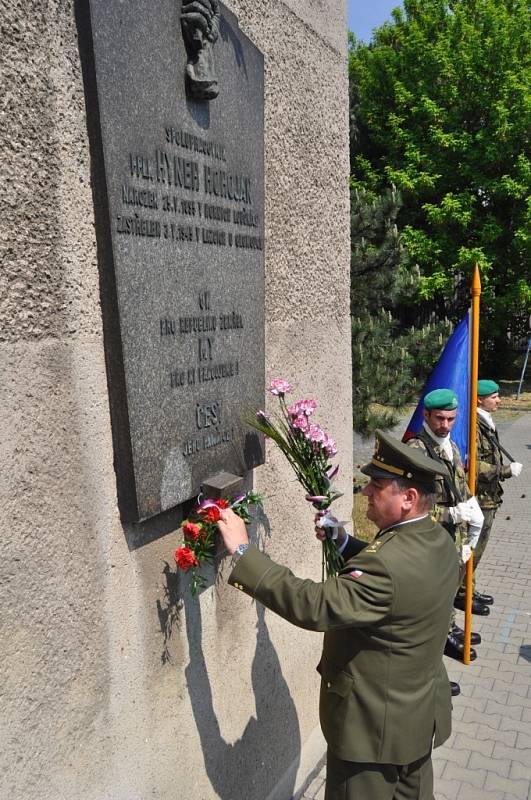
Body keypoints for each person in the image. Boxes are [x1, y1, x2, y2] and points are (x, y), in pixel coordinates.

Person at [217, 431, 459, 800]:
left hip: (371, 736)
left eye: (377, 486)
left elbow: (314, 605)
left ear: (409, 498)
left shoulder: (385, 567)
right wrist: (345, 542)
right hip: (416, 724)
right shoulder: (438, 539)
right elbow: (398, 582)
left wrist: (245, 552)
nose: (365, 493)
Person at [406, 389, 484, 674]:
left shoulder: (451, 446)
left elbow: (459, 489)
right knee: (431, 612)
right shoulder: (417, 451)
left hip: (452, 540)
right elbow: (409, 507)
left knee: (447, 598)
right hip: (431, 541)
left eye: (451, 418)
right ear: (426, 415)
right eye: (439, 418)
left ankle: (448, 635)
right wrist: (450, 514)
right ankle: (431, 676)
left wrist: (469, 512)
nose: (446, 425)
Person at [459, 379, 523, 606]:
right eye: (494, 396)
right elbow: (471, 465)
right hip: (479, 497)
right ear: (479, 399)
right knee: (472, 548)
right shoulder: (473, 426)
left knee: (478, 548)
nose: (499, 399)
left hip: (489, 496)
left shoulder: (485, 421)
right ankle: (462, 593)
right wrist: (504, 470)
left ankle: (468, 589)